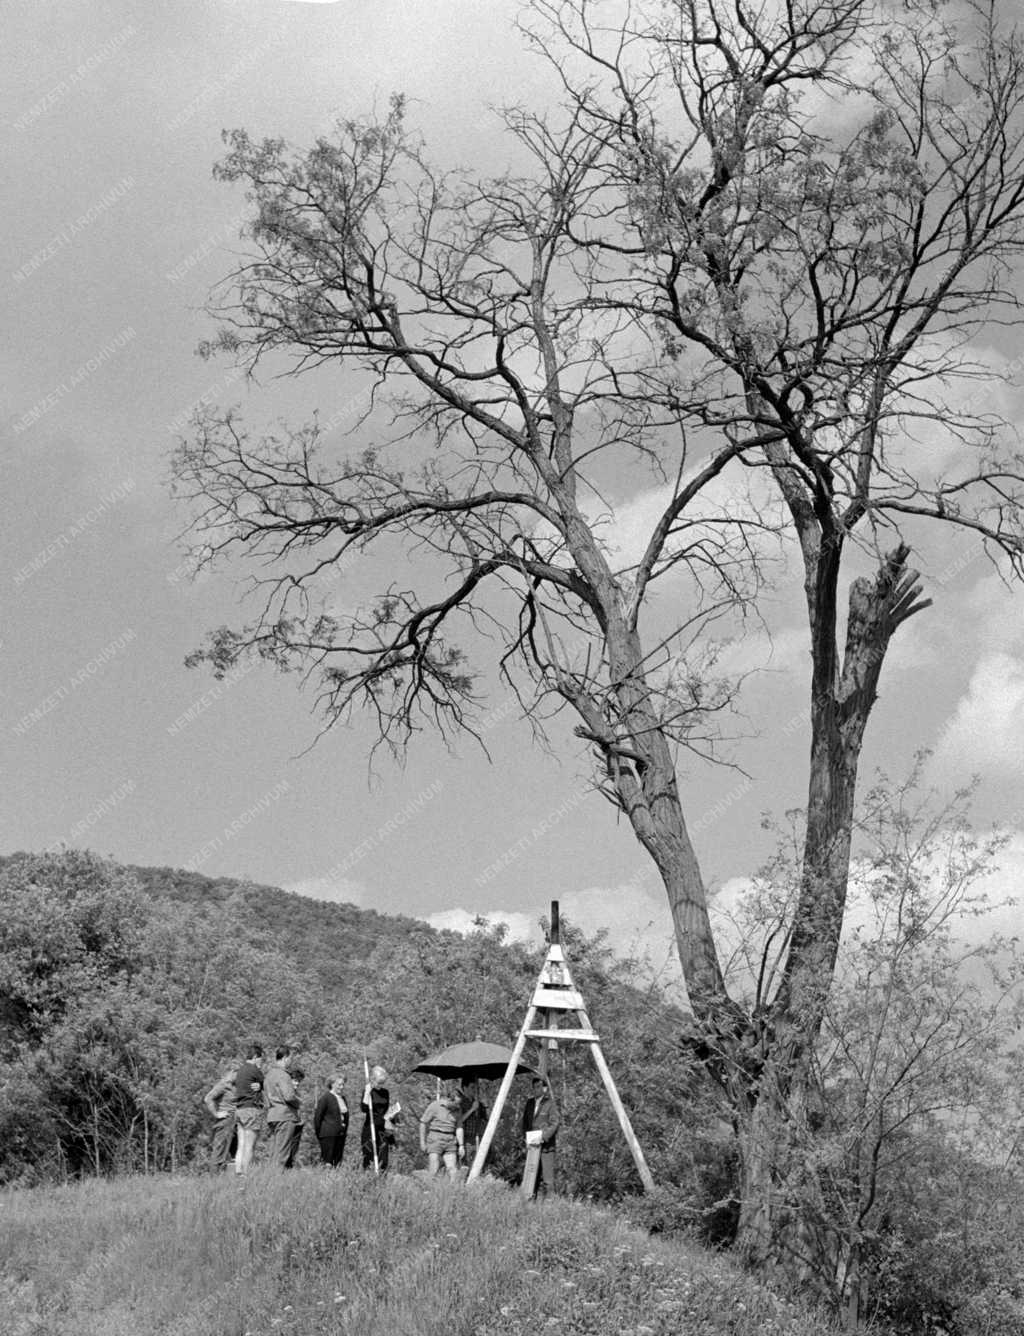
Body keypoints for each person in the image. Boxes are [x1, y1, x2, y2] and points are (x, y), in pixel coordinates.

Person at [264, 1046, 303, 1169]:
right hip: (285, 1116)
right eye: (291, 1058)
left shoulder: (269, 1075)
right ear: (285, 1058)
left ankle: (268, 1179)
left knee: (274, 1151)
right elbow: (289, 1096)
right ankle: (276, 1180)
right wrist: (299, 1102)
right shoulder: (284, 1075)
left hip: (272, 1115)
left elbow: (265, 1096)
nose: (291, 1061)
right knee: (282, 1153)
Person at [522, 1075, 560, 1198]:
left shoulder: (550, 1103)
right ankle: (529, 1202)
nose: (535, 1089)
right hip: (532, 1145)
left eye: (538, 1086)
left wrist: (543, 1137)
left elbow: (554, 1123)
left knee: (548, 1178)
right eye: (534, 1087)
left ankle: (549, 1204)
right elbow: (525, 1123)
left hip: (546, 1146)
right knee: (532, 1175)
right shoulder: (529, 1103)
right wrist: (526, 1138)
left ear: (544, 1088)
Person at [233, 1042, 265, 1176]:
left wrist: (259, 1084)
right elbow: (266, 1082)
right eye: (261, 1059)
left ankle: (238, 1172)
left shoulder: (240, 1071)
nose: (261, 1062)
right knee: (250, 1145)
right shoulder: (254, 1069)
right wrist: (261, 1084)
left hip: (239, 1110)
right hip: (251, 1109)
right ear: (256, 1057)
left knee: (241, 1144)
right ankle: (246, 1174)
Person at [419, 1085, 465, 1179]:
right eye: (456, 1103)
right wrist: (422, 1143)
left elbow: (459, 1127)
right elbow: (423, 1123)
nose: (457, 1106)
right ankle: (430, 1189)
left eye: (459, 1104)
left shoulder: (458, 1109)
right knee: (434, 1167)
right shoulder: (435, 1106)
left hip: (450, 1140)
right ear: (449, 1100)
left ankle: (452, 1190)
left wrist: (461, 1145)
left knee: (452, 1169)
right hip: (435, 1138)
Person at [203, 1059, 238, 1172]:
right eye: (238, 1073)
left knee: (235, 1152)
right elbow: (208, 1098)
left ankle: (230, 1177)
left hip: (235, 1121)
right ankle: (214, 1177)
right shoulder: (223, 1084)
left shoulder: (235, 1086)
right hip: (225, 1120)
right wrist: (216, 1114)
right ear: (233, 1072)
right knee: (220, 1151)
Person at [361, 1065, 393, 1173]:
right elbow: (364, 1108)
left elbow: (386, 1109)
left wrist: (392, 1116)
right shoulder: (368, 1091)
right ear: (372, 1079)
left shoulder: (385, 1092)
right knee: (369, 1155)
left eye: (383, 1083)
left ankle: (382, 1180)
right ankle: (367, 1179)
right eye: (379, 1082)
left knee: (383, 1157)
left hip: (382, 1129)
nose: (381, 1085)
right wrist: (367, 1093)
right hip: (370, 1127)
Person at [313, 1074, 349, 1167]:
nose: (342, 1087)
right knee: (327, 1161)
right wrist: (319, 1133)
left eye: (343, 1084)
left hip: (340, 1134)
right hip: (328, 1134)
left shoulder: (343, 1098)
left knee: (337, 1162)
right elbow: (318, 1117)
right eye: (339, 1084)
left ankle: (335, 1180)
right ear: (332, 1084)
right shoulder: (326, 1098)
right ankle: (325, 1180)